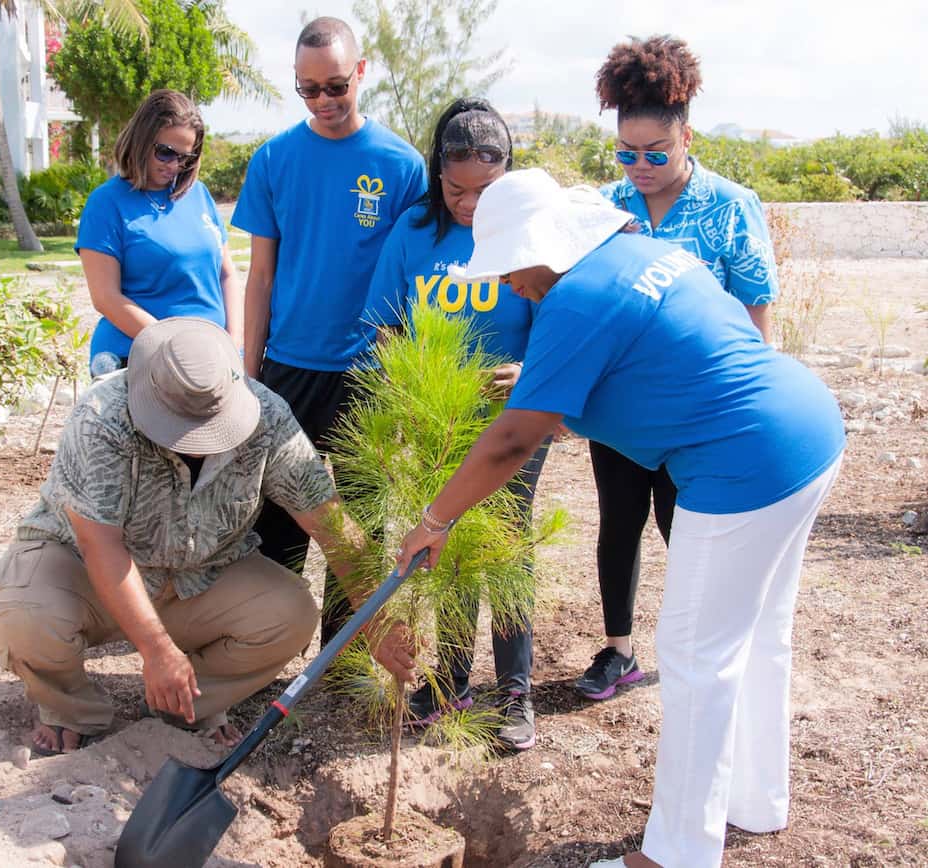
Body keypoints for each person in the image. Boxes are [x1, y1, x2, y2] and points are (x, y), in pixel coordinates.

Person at [395, 169, 844, 867]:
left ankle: (674, 856)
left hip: (744, 466)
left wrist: (436, 519)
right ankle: (757, 800)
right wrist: (543, 390)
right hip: (806, 429)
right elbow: (644, 371)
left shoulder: (575, 299)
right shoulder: (640, 254)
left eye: (513, 265)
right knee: (757, 638)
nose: (510, 284)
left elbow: (514, 439)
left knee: (695, 657)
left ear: (546, 245)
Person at [0, 318, 416, 757]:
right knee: (24, 615)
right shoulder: (101, 418)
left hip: (200, 574)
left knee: (290, 615)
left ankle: (185, 703)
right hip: (85, 569)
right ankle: (70, 710)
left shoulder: (268, 416)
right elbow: (100, 545)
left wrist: (375, 616)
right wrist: (157, 649)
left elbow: (328, 519)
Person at [575, 35, 782, 702]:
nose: (639, 165)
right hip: (622, 408)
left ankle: (713, 645)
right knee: (620, 522)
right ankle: (619, 651)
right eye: (626, 152)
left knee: (689, 528)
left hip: (703, 409)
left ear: (686, 136)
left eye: (655, 153)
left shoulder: (730, 206)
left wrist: (756, 403)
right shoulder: (606, 208)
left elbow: (756, 313)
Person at [231, 17, 427, 647]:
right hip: (289, 365)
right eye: (308, 89)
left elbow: (415, 279)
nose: (324, 101)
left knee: (361, 516)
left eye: (336, 86)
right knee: (282, 512)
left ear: (361, 74)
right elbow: (260, 276)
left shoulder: (401, 166)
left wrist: (404, 373)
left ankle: (343, 652)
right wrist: (250, 370)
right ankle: (269, 640)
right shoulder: (274, 160)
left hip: (367, 369)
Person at [364, 98, 548, 750]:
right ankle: (450, 682)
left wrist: (530, 371)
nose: (469, 204)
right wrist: (411, 385)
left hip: (515, 422)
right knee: (447, 544)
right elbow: (386, 327)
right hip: (439, 418)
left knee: (504, 549)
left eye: (485, 190)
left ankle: (517, 689)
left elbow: (561, 321)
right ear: (437, 172)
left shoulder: (528, 233)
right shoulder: (414, 231)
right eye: (456, 188)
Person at [76, 89, 242, 376]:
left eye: (186, 158)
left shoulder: (198, 195)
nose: (175, 165)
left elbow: (227, 273)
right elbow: (105, 297)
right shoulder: (106, 203)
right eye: (165, 153)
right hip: (135, 359)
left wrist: (235, 345)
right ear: (141, 139)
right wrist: (173, 349)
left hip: (208, 360)